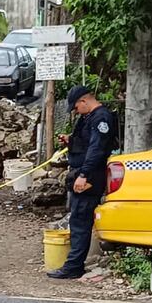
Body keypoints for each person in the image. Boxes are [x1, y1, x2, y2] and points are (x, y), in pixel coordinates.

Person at [49, 85, 117, 280]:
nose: (76, 111)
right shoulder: (88, 117)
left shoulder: (101, 118)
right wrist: (71, 141)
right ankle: (73, 264)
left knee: (80, 220)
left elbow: (97, 149)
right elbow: (87, 142)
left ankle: (74, 266)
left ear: (84, 101)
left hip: (89, 175)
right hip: (82, 171)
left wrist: (84, 174)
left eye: (76, 107)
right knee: (78, 218)